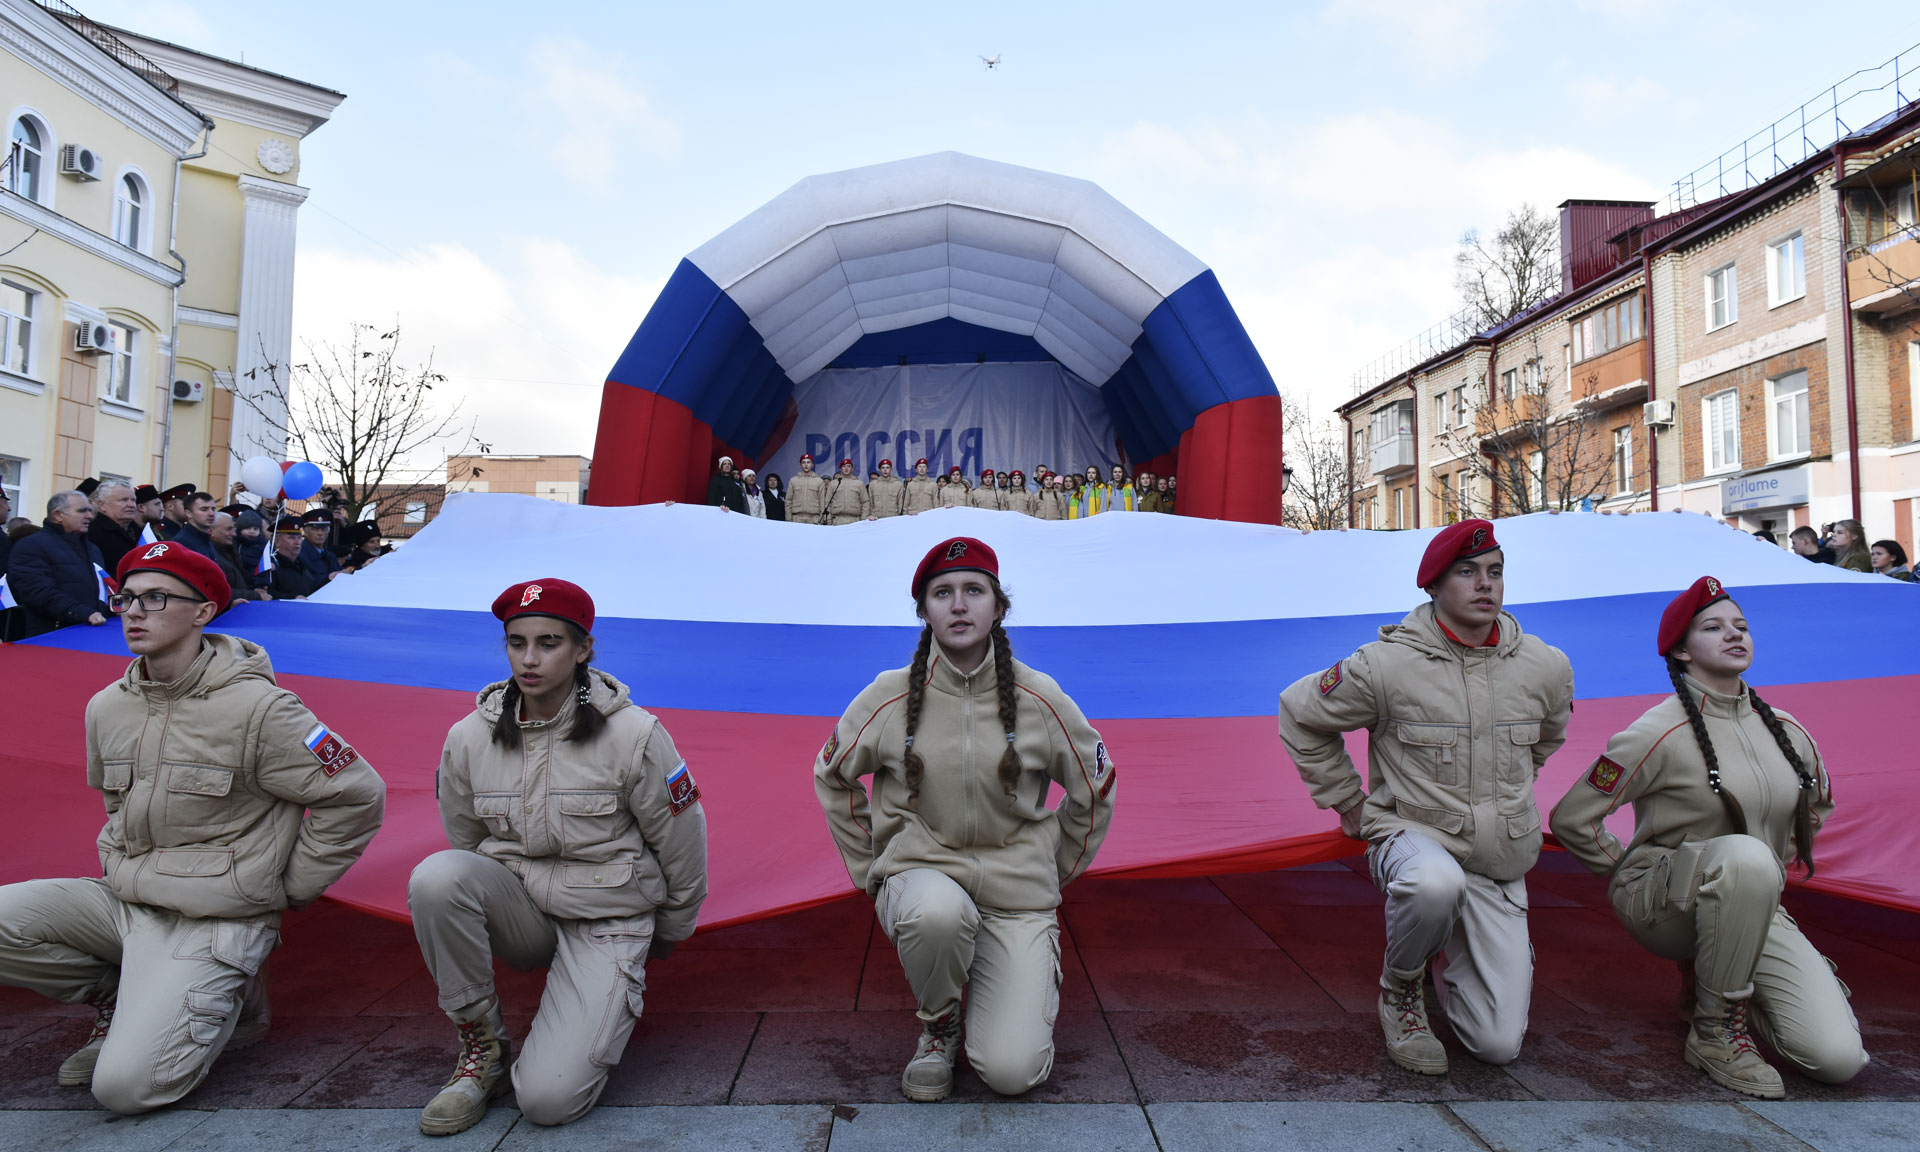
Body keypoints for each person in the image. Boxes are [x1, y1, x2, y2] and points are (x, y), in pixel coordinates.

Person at [0, 541, 385, 1114]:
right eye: (127, 597)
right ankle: (121, 998)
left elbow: (356, 794)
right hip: (127, 903)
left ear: (203, 611)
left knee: (124, 1089)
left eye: (156, 598)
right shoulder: (107, 706)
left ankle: (232, 996)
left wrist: (288, 886)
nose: (134, 611)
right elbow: (115, 803)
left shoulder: (263, 709)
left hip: (215, 917)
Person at [815, 537, 1115, 1102]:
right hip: (923, 875)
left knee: (1011, 1072)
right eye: (942, 593)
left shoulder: (1040, 698)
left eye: (974, 591)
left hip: (1015, 891)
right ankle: (940, 1025)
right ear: (924, 611)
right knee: (937, 914)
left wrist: (1052, 868)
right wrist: (872, 867)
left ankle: (999, 968)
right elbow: (831, 775)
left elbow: (1095, 785)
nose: (958, 605)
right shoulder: (888, 697)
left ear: (998, 608)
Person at [408, 579, 707, 1134]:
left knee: (548, 1102)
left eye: (548, 643)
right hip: (521, 911)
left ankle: (591, 1001)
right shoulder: (468, 736)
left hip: (606, 916)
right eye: (516, 643)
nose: (529, 659)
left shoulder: (634, 733)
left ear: (583, 649)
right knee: (437, 877)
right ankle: (483, 1050)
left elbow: (682, 838)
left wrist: (670, 929)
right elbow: (465, 840)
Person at [1548, 577, 1865, 1097]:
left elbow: (1816, 804)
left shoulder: (1787, 731)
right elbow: (1572, 818)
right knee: (1746, 858)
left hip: (1750, 894)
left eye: (1741, 626)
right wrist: (1623, 870)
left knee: (1837, 1059)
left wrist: (1767, 873)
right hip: (1661, 903)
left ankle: (1718, 978)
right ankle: (1715, 1034)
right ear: (1681, 651)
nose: (1734, 635)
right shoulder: (1656, 731)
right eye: (1714, 628)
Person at [1278, 519, 1574, 1075]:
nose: (1485, 583)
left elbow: (1547, 737)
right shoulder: (1385, 665)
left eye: (1495, 572)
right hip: (1413, 838)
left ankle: (1452, 949)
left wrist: (1506, 794)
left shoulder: (1545, 666)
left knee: (1496, 1046)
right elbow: (1299, 712)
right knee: (1434, 884)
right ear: (1433, 585)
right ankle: (1402, 987)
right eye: (1467, 572)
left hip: (1498, 858)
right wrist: (1347, 801)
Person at [7, 491, 111, 637]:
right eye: (82, 511)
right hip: (53, 635)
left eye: (90, 510)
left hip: (92, 631)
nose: (89, 516)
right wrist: (83, 613)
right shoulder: (31, 546)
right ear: (58, 515)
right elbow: (38, 592)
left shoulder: (92, 549)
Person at [88, 480, 144, 574]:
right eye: (123, 500)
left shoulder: (142, 532)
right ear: (102, 505)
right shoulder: (90, 533)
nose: (131, 505)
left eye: (133, 500)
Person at [208, 512, 264, 605]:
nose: (234, 534)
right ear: (211, 531)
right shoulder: (210, 556)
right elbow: (218, 592)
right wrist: (256, 595)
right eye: (228, 529)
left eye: (234, 529)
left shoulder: (233, 549)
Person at [267, 520, 322, 600]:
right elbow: (268, 594)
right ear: (277, 541)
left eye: (299, 538)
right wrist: (293, 598)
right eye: (291, 538)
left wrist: (328, 579)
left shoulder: (302, 566)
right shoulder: (272, 566)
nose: (297, 542)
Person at [298, 509, 346, 584]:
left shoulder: (330, 556)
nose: (320, 533)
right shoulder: (299, 555)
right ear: (305, 532)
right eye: (315, 529)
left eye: (324, 529)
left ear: (328, 532)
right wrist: (328, 578)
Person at [169, 493, 220, 561]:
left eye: (213, 509)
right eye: (204, 509)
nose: (211, 514)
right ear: (188, 513)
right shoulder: (181, 543)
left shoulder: (206, 539)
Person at [825, 458, 870, 525]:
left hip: (855, 520)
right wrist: (828, 519)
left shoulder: (859, 483)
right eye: (843, 466)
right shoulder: (833, 483)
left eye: (848, 466)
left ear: (852, 468)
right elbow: (827, 502)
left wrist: (863, 519)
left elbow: (865, 502)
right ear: (840, 469)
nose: (846, 468)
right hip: (837, 520)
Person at [787, 455, 828, 525]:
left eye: (808, 462)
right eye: (803, 462)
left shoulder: (819, 481)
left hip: (814, 519)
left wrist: (822, 519)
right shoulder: (793, 480)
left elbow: (822, 502)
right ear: (800, 465)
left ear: (812, 465)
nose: (806, 464)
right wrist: (788, 519)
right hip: (796, 518)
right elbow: (788, 501)